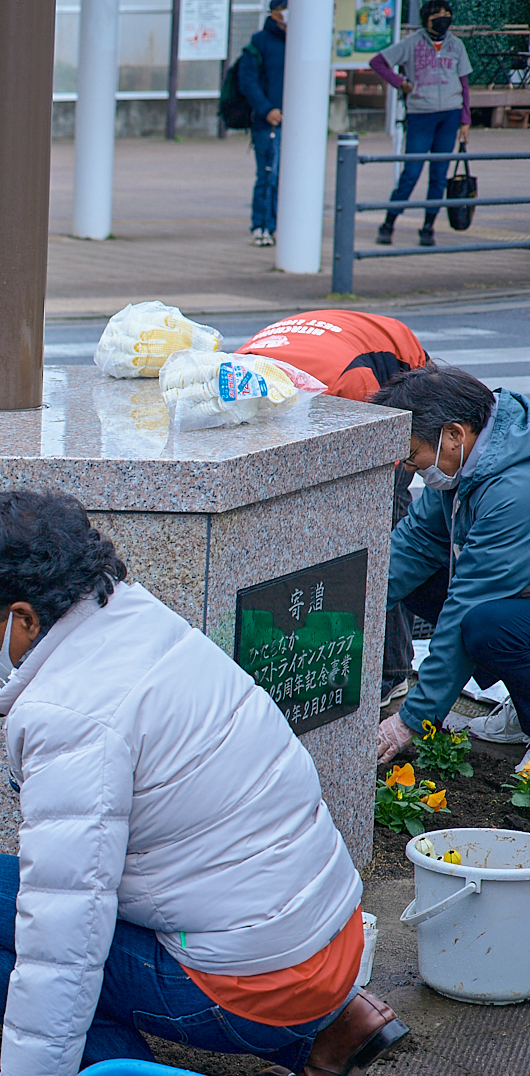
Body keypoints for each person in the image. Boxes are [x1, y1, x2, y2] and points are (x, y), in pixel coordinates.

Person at [0, 489, 405, 1076]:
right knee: (6, 907)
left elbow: (67, 935)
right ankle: (332, 1023)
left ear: (23, 617)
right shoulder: (136, 619)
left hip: (254, 988)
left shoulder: (70, 711)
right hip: (331, 943)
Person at [235, 311, 433, 704]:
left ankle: (390, 671)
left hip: (393, 366)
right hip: (329, 345)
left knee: (382, 534)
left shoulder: (351, 387)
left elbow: (381, 463)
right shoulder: (239, 380)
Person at [374, 366, 530, 770]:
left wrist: (412, 718)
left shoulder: (514, 488)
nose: (409, 469)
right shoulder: (471, 460)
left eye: (412, 455)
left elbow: (468, 601)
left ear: (455, 433)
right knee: (420, 582)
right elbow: (415, 544)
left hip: (506, 603)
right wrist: (344, 610)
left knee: (486, 625)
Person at [373, 0, 473, 249]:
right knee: (411, 173)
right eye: (438, 15)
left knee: (439, 177)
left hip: (449, 114)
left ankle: (428, 227)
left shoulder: (456, 45)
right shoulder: (412, 42)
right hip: (421, 114)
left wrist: (465, 118)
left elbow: (464, 83)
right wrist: (401, 83)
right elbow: (378, 62)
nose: (444, 19)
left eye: (447, 15)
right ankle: (389, 223)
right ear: (426, 19)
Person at [239, 0, 287, 248]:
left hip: (294, 124)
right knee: (268, 174)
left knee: (285, 177)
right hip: (267, 122)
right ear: (274, 12)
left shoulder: (301, 41)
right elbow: (247, 80)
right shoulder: (260, 42)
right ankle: (261, 225)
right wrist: (266, 109)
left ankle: (278, 224)